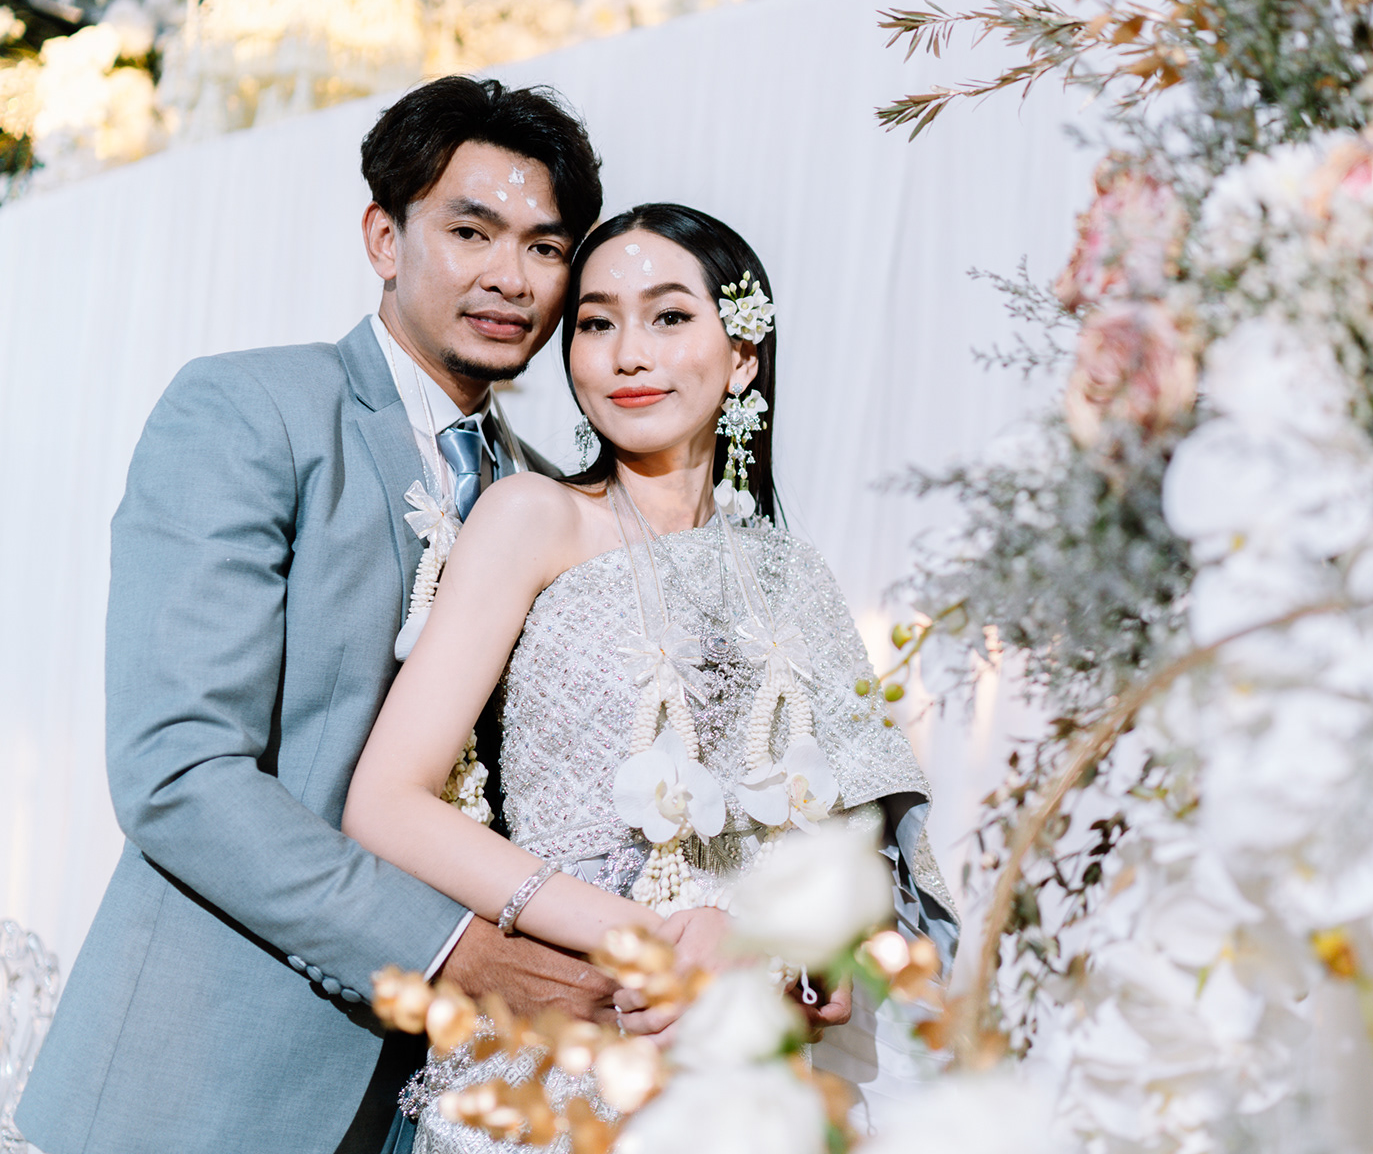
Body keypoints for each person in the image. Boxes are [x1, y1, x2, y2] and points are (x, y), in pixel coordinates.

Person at [15, 78, 654, 1154]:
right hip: (208, 1078)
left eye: (545, 248)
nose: (511, 277)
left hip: (455, 1100)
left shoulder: (552, 502)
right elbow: (178, 770)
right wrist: (452, 951)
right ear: (383, 236)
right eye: (471, 231)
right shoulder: (252, 411)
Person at [342, 203, 958, 1149]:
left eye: (669, 317)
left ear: (742, 354)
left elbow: (865, 847)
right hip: (576, 1028)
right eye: (597, 323)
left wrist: (804, 958)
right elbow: (386, 802)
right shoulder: (534, 517)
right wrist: (647, 940)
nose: (628, 355)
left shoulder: (793, 576)